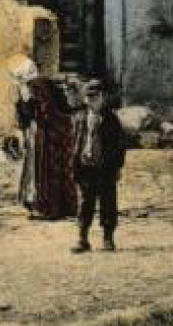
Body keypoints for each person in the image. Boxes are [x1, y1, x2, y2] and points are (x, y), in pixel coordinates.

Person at [12, 56, 78, 221]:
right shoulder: (45, 84)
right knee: (49, 169)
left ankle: (46, 207)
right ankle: (57, 206)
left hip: (46, 134)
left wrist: (25, 104)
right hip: (54, 133)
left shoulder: (35, 86)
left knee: (44, 169)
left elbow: (35, 113)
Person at [71, 76, 127, 253]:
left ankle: (108, 238)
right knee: (85, 204)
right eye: (89, 98)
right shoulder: (80, 118)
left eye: (95, 97)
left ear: (103, 97)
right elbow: (76, 142)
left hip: (105, 168)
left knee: (108, 203)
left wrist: (117, 166)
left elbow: (119, 146)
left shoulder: (111, 120)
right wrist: (75, 163)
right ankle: (82, 238)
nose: (92, 101)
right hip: (86, 168)